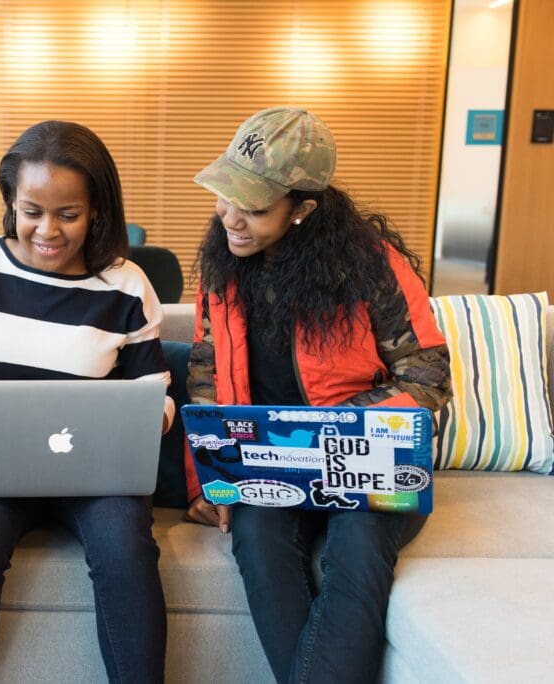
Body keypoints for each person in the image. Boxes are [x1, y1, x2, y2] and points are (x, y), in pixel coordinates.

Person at [184, 107, 452, 683]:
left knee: (354, 551)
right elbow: (206, 375)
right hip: (271, 465)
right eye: (225, 195)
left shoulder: (371, 268)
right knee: (256, 539)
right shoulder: (220, 267)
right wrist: (210, 481)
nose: (230, 217)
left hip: (372, 463)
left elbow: (426, 376)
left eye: (253, 207)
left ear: (303, 209)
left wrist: (332, 430)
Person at [0, 120, 174, 683]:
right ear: (11, 203)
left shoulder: (126, 286)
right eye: (32, 211)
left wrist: (152, 414)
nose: (47, 231)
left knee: (126, 548)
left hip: (98, 471)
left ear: (97, 209)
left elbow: (154, 389)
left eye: (68, 214)